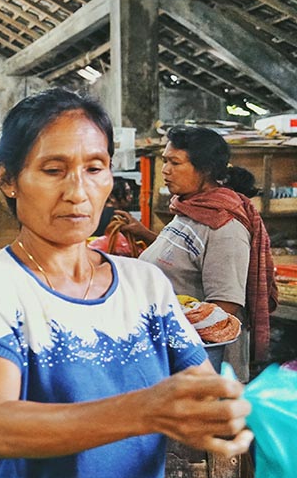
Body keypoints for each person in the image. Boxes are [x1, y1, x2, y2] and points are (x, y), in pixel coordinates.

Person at [0, 89, 253, 478]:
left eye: (95, 169)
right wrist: (148, 410)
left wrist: (238, 413)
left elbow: (200, 394)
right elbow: (0, 426)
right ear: (8, 180)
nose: (78, 192)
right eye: (54, 170)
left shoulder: (145, 285)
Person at [113, 126, 276, 359]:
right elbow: (184, 255)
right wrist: (143, 234)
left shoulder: (224, 227)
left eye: (175, 163)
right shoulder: (189, 210)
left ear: (206, 169)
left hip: (198, 359)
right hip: (167, 348)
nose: (166, 171)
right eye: (164, 161)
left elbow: (224, 308)